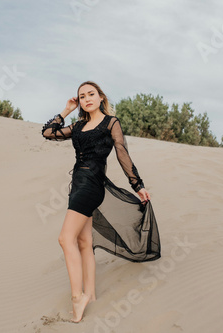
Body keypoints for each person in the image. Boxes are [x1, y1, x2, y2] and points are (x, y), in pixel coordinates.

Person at [41, 81, 161, 323]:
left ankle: (77, 297)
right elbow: (48, 133)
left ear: (100, 97)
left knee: (65, 239)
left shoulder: (110, 123)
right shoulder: (78, 125)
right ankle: (92, 295)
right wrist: (65, 110)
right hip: (78, 184)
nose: (86, 99)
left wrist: (137, 185)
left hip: (91, 185)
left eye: (91, 94)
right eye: (82, 96)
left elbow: (122, 152)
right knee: (84, 241)